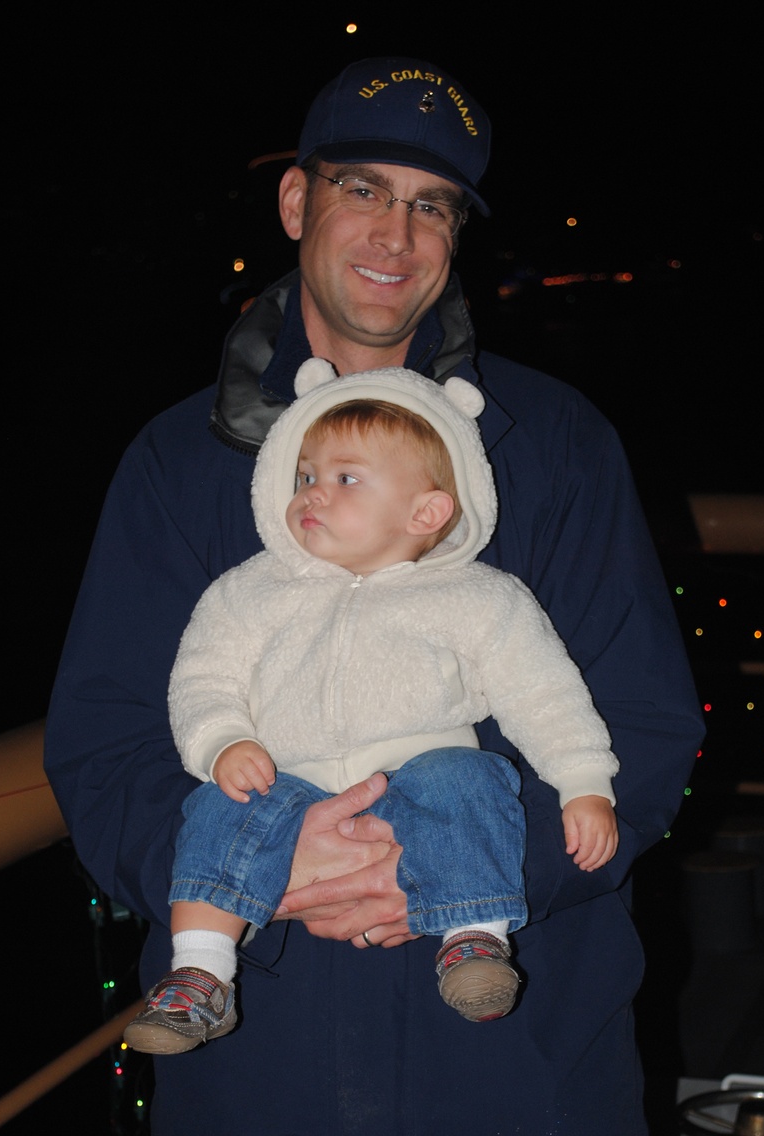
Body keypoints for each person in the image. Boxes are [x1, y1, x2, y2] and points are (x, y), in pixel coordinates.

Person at [45, 55, 704, 1134]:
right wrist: (263, 865)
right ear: (297, 201)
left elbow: (644, 729)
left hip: (520, 1067)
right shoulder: (174, 463)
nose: (395, 237)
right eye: (363, 190)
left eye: (430, 205)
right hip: (255, 1062)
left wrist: (460, 869)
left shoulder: (560, 446)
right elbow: (102, 744)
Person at [123, 359, 620, 1053]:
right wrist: (222, 742)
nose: (312, 494)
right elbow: (203, 678)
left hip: (417, 779)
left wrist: (583, 783)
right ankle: (201, 976)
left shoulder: (479, 597)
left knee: (470, 780)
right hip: (282, 783)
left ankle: (473, 937)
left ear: (427, 511)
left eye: (345, 478)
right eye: (304, 476)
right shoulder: (250, 590)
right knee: (213, 809)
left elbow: (543, 692)